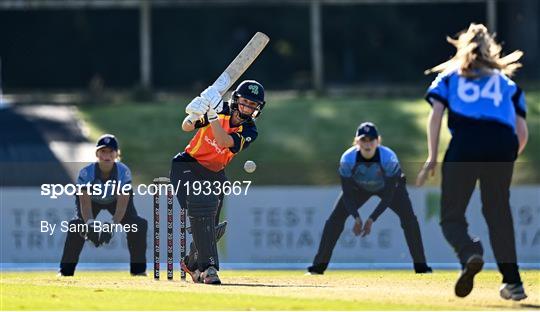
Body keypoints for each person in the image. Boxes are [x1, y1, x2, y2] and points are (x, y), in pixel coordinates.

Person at [417, 23, 528, 300]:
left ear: (462, 46)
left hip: (466, 142)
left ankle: (470, 253)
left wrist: (432, 157)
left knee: (451, 216)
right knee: (498, 213)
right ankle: (513, 282)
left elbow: (436, 115)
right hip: (502, 143)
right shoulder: (507, 83)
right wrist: (508, 157)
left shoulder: (450, 76)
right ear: (490, 48)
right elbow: (522, 131)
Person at [170, 80, 266, 284]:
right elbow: (186, 127)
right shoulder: (219, 108)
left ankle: (192, 264)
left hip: (215, 173)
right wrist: (194, 112)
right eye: (244, 102)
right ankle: (210, 269)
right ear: (236, 100)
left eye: (252, 105)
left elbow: (223, 141)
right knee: (202, 210)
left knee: (208, 227)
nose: (247, 108)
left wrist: (211, 115)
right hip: (187, 165)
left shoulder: (250, 131)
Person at [307, 122, 432, 275]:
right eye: (363, 140)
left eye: (371, 140)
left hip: (389, 189)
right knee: (335, 220)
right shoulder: (348, 159)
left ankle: (421, 267)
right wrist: (356, 217)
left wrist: (372, 218)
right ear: (356, 142)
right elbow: (347, 193)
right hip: (358, 188)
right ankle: (317, 268)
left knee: (409, 220)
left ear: (378, 141)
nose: (367, 144)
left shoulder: (388, 157)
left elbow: (388, 196)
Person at [59, 134, 148, 276]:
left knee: (138, 224)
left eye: (110, 151)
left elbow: (122, 205)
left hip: (116, 201)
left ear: (117, 154)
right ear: (97, 154)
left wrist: (111, 226)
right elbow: (85, 204)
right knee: (76, 225)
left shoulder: (123, 172)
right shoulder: (86, 173)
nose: (106, 155)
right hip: (92, 202)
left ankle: (138, 271)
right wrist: (90, 224)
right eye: (103, 151)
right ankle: (65, 272)